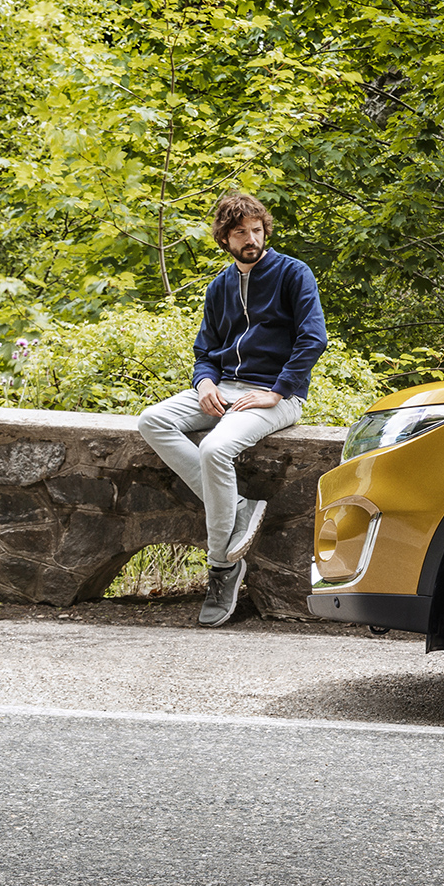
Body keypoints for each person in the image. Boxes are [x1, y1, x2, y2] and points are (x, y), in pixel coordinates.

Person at [137, 193, 329, 627]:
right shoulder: (219, 286)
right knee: (153, 420)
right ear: (224, 238)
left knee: (214, 450)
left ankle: (222, 567)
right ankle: (237, 507)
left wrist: (277, 391)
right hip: (224, 389)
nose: (251, 238)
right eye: (240, 231)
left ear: (265, 230)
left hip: (276, 397)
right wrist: (204, 383)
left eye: (256, 230)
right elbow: (204, 350)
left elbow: (312, 339)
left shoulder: (293, 273)